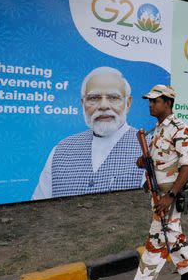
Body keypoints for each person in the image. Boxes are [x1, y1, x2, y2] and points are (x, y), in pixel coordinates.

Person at [105, 85, 188, 280]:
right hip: (159, 196)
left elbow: (187, 165)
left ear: (168, 103)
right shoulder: (156, 130)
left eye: (155, 101)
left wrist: (171, 196)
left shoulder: (179, 129)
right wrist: (143, 162)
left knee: (156, 245)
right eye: (149, 101)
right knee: (174, 237)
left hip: (170, 198)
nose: (150, 105)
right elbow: (159, 160)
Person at [32, 66, 143, 200]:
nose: (103, 106)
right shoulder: (60, 151)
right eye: (94, 98)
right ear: (83, 103)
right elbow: (39, 207)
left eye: (113, 97)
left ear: (128, 103)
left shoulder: (151, 147)